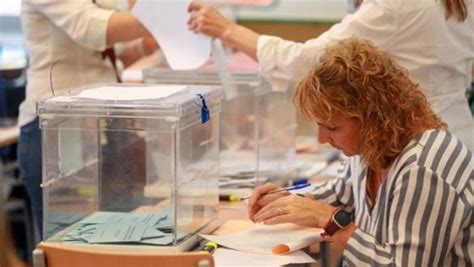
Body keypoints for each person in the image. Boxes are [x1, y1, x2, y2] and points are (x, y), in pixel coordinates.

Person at [245, 37, 473, 266]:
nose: (321, 139)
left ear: (374, 118)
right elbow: (341, 194)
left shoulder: (422, 169)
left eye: (332, 127)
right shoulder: (371, 147)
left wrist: (330, 221)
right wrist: (286, 203)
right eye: (319, 125)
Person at [188, 0, 474, 150]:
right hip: (455, 135)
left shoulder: (396, 4)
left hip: (414, 145)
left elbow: (314, 62)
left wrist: (229, 31)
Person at [19, 0, 159, 237]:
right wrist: (168, 15)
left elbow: (105, 54)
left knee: (128, 239)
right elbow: (92, 28)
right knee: (71, 247)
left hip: (108, 125)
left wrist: (144, 45)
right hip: (60, 130)